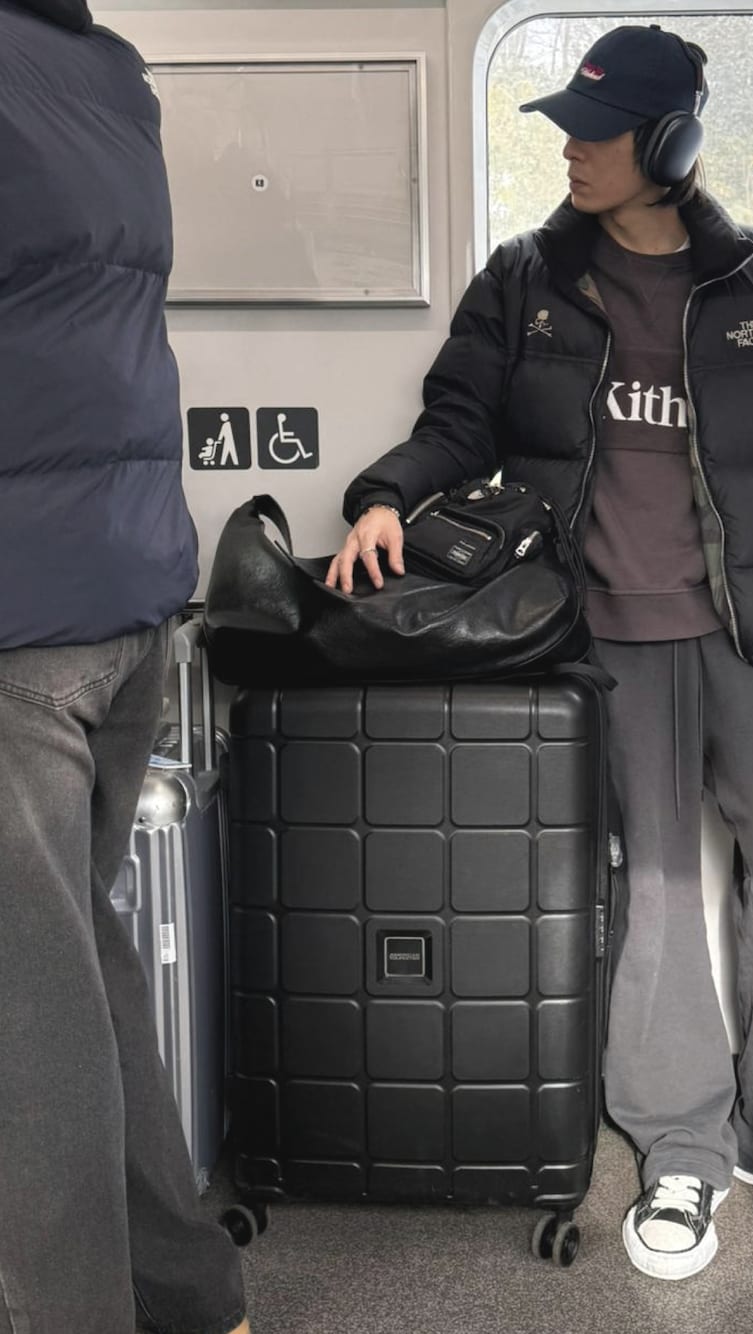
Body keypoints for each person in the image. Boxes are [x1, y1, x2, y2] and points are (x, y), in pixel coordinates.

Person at [327, 24, 753, 1280]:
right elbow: (458, 417)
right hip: (605, 633)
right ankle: (681, 1149)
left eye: (598, 131)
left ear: (671, 141)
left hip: (744, 630)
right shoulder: (527, 277)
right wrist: (384, 494)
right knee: (652, 883)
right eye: (567, 127)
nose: (572, 149)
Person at [0, 2, 248, 1330]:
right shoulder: (107, 73)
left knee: (23, 1035)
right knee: (78, 979)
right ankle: (194, 1300)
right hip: (123, 598)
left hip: (17, 621)